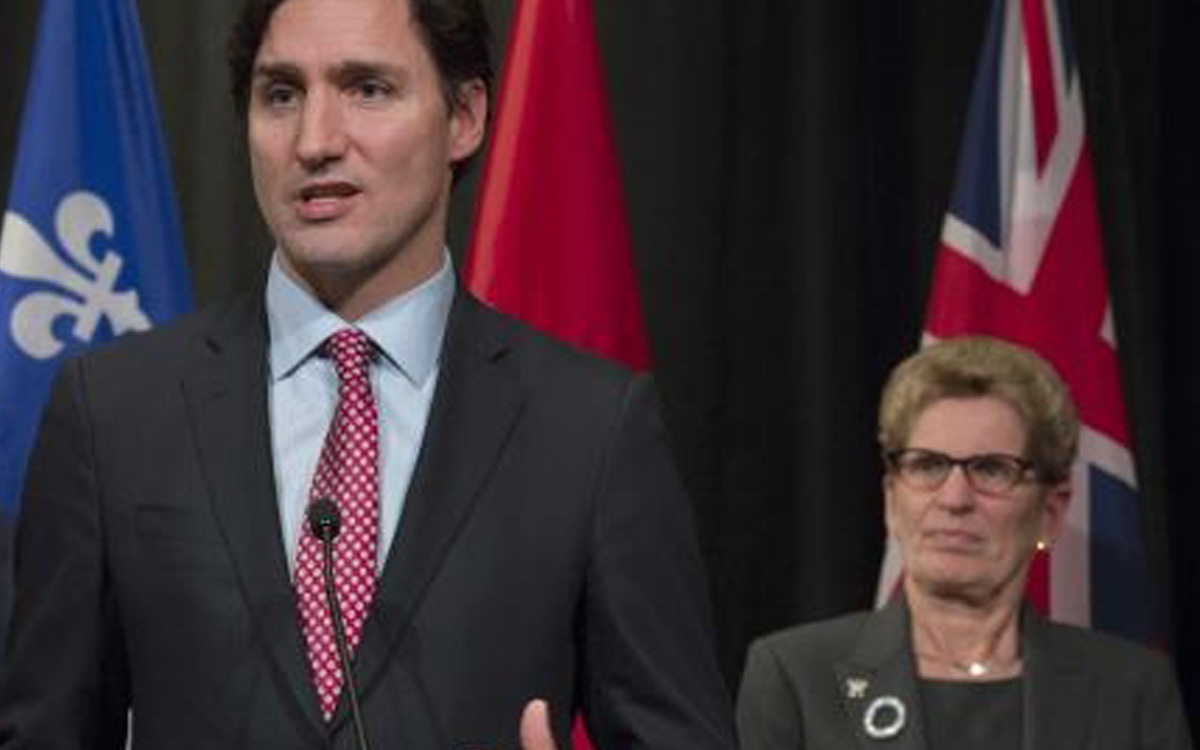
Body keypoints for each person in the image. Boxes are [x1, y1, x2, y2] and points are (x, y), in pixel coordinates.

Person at [0, 0, 736, 747]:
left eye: (367, 89)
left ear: (465, 117)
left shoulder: (591, 431)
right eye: (282, 94)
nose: (315, 141)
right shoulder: (114, 412)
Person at [737, 336, 1194, 750]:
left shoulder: (1131, 690)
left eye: (992, 469)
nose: (954, 498)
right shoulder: (794, 677)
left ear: (1050, 513)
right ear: (892, 500)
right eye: (928, 465)